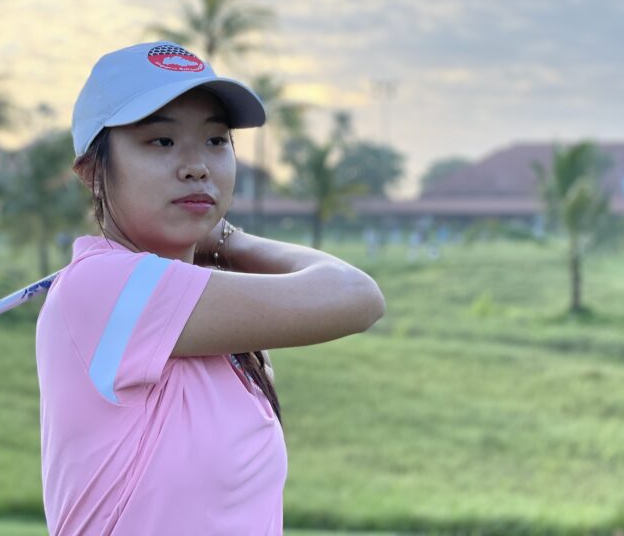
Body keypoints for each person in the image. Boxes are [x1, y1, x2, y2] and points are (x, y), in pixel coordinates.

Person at [36, 40, 386, 535]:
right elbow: (356, 296)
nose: (196, 165)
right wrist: (229, 238)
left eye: (216, 141)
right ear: (92, 172)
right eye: (162, 141)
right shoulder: (102, 286)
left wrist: (220, 240)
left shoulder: (222, 331)